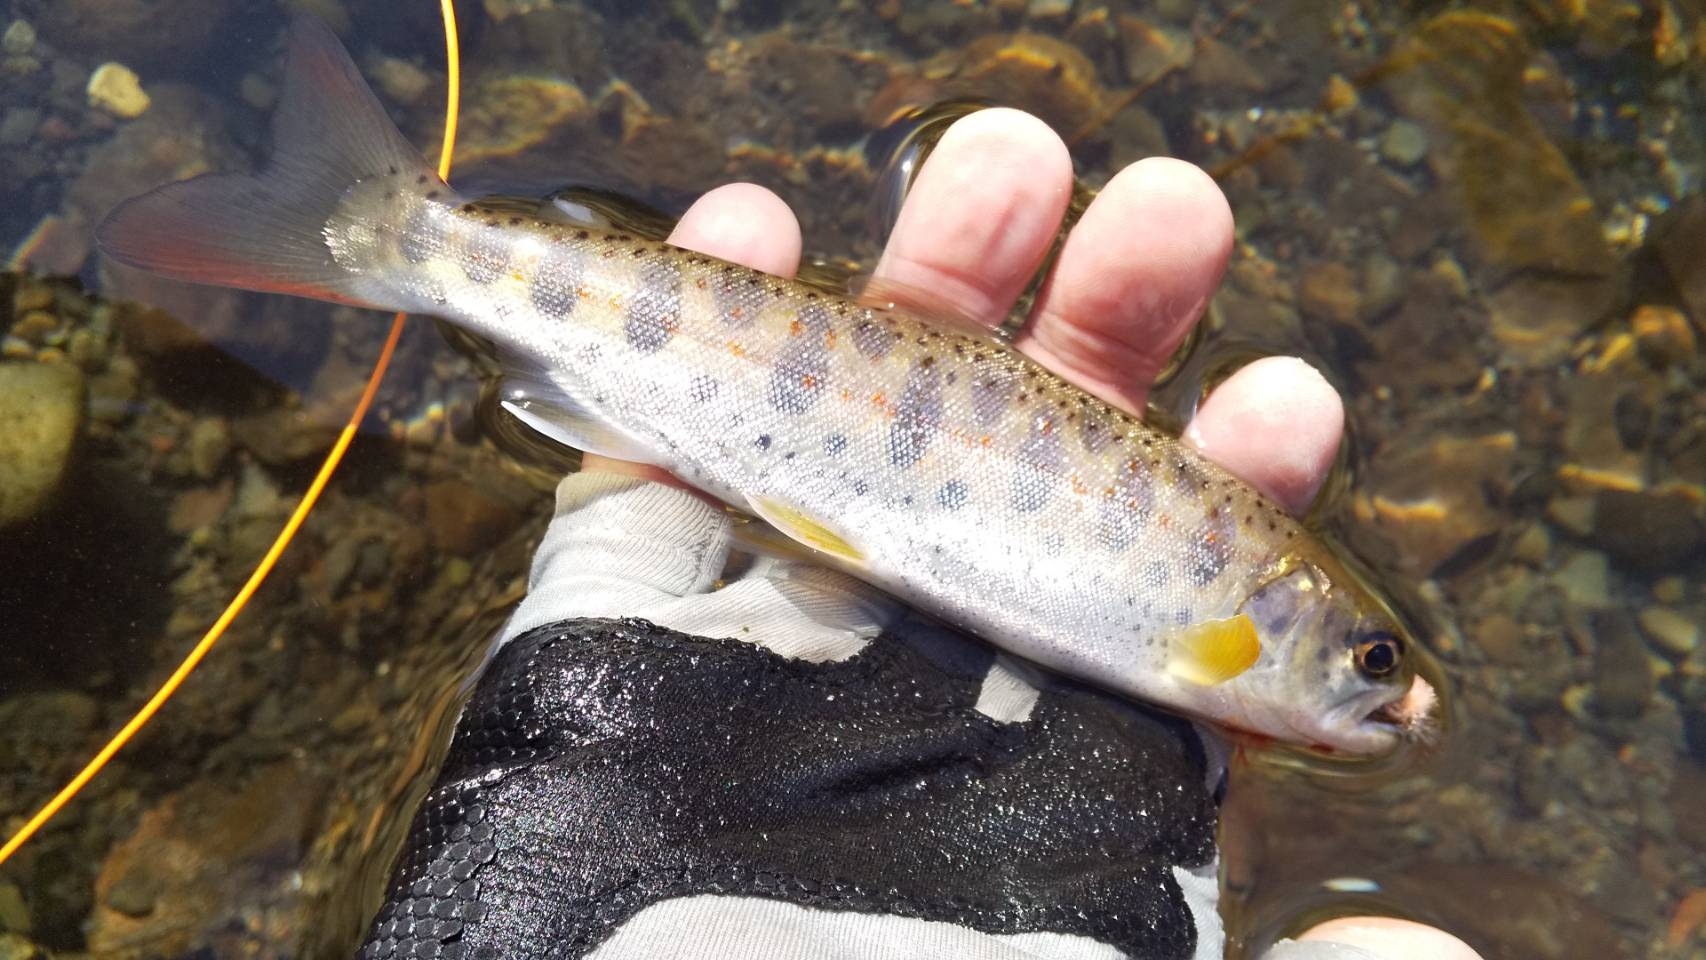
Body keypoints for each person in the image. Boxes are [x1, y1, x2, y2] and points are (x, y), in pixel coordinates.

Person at [357, 110, 1481, 960]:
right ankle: (415, 240)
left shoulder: (1236, 639)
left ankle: (420, 241)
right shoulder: (1225, 650)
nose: (1388, 689)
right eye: (1371, 659)